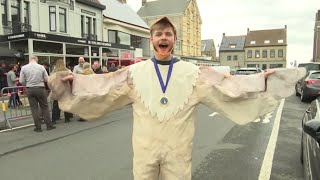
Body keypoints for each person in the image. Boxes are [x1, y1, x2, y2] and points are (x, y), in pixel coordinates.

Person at [48, 17, 305, 180]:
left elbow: (228, 87)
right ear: (151, 40)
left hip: (178, 155)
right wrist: (76, 83)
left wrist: (262, 80)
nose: (163, 37)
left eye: (168, 34)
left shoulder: (193, 73)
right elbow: (105, 86)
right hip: (145, 154)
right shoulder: (134, 74)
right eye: (158, 34)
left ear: (174, 41)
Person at [20, 56, 56, 132]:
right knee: (45, 107)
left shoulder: (24, 68)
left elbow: (21, 80)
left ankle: (38, 127)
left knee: (34, 108)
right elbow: (47, 79)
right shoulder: (41, 67)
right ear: (36, 60)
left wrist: (27, 84)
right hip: (40, 88)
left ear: (30, 60)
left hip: (30, 89)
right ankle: (49, 125)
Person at [51, 59, 73, 123]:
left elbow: (51, 79)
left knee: (55, 105)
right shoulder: (67, 71)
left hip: (57, 89)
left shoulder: (54, 71)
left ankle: (54, 120)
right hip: (65, 89)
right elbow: (72, 77)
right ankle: (67, 118)